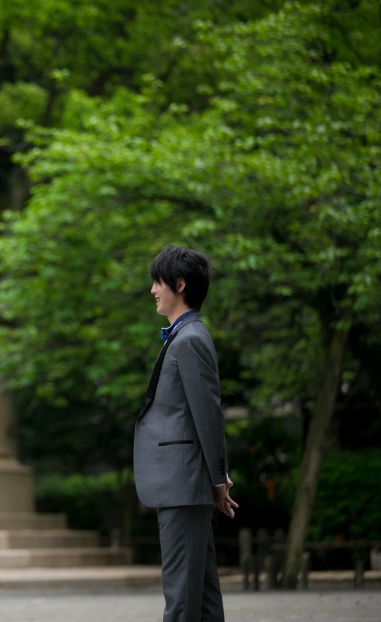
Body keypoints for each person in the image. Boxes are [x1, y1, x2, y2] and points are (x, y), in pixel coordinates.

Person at [134, 246, 238, 622]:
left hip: (183, 483)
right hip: (184, 483)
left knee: (180, 598)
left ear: (179, 284)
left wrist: (218, 478)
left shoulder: (190, 338)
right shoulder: (184, 337)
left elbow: (208, 416)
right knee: (204, 597)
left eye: (157, 282)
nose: (152, 290)